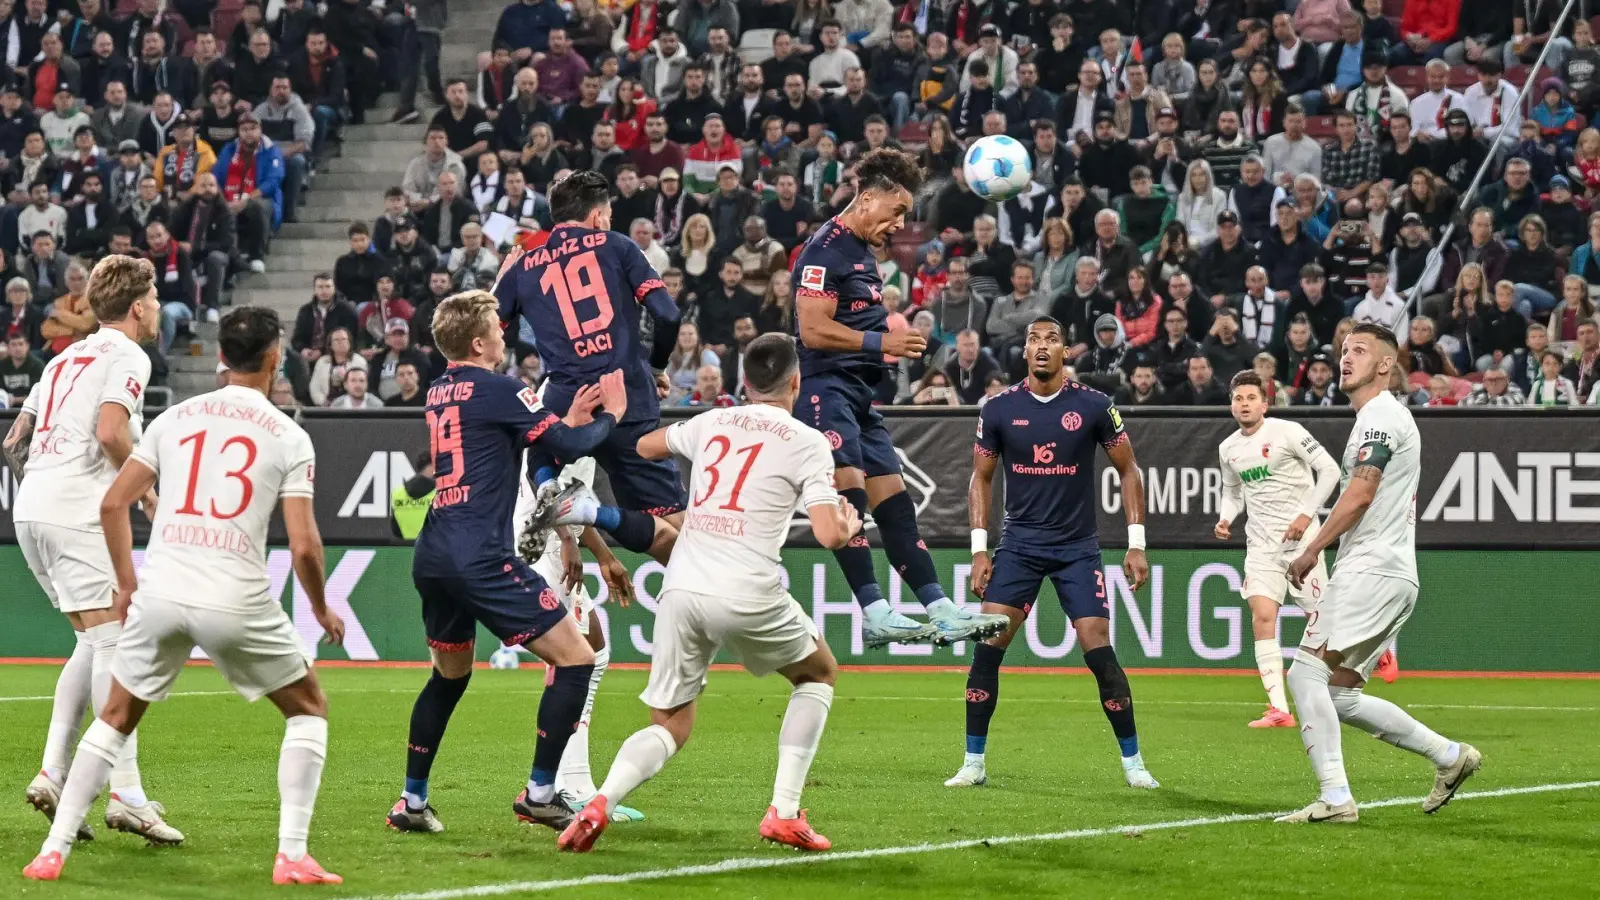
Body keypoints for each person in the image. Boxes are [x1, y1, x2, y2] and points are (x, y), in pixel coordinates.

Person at [21, 306, 344, 886]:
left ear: (220, 355)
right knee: (309, 711)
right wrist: (321, 607)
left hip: (162, 590)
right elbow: (303, 546)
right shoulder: (289, 434)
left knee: (115, 717)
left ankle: (53, 849)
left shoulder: (175, 418)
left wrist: (125, 582)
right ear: (275, 357)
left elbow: (114, 502)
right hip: (234, 596)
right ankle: (292, 854)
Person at [558, 333, 858, 853]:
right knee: (819, 672)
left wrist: (678, 435)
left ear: (743, 382)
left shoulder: (712, 421)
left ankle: (600, 801)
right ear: (796, 381)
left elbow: (647, 445)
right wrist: (849, 523)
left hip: (682, 586)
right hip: (746, 586)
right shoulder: (808, 441)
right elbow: (830, 534)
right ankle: (784, 811)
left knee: (670, 725)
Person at [386, 290, 620, 835]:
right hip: (479, 555)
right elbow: (569, 440)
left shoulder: (441, 389)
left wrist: (560, 417)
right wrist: (612, 416)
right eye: (496, 326)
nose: (503, 333)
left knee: (448, 679)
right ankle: (541, 792)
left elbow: (526, 434)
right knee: (578, 660)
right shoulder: (501, 387)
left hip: (434, 550)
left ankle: (412, 802)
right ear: (478, 341)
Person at [792, 147, 1008, 647]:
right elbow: (812, 328)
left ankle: (940, 608)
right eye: (896, 213)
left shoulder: (862, 253)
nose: (900, 225)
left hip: (858, 394)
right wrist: (881, 342)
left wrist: (891, 337)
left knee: (895, 505)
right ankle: (875, 611)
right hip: (823, 388)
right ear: (868, 199)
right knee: (850, 497)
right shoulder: (823, 250)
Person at [6, 256, 181, 854]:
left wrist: (34, 458)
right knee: (117, 643)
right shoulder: (127, 355)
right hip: (74, 511)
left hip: (31, 506)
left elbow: (17, 431)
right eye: (154, 298)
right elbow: (110, 433)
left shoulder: (65, 354)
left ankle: (54, 773)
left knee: (92, 641)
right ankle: (127, 794)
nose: (157, 307)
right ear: (137, 307)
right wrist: (148, 489)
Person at [1278, 323, 1481, 824]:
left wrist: (1311, 550)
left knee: (1305, 675)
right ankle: (1450, 756)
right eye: (1344, 349)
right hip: (1393, 573)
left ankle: (1335, 797)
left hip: (1371, 568)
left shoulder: (1380, 417)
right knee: (1341, 695)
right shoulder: (1379, 417)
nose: (1346, 357)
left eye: (1360, 350)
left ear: (1386, 365)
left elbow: (1362, 491)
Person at [955, 316, 1155, 789]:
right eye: (1033, 340)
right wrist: (980, 551)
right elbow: (980, 477)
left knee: (1100, 654)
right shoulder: (998, 408)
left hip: (1076, 550)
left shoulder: (1095, 406)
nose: (1042, 347)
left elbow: (1130, 470)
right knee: (987, 652)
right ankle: (973, 763)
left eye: (1052, 339)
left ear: (1067, 351)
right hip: (1019, 546)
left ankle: (1134, 764)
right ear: (1024, 352)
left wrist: (1136, 543)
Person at [493, 170, 685, 566]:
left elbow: (480, 335)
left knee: (541, 454)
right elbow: (667, 316)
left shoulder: (524, 266)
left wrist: (499, 286)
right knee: (670, 524)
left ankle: (551, 486)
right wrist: (656, 366)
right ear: (597, 217)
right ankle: (702, 582)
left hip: (568, 398)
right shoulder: (618, 245)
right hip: (626, 393)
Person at [1215, 370, 1339, 729]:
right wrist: (1226, 518)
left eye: (1251, 398)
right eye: (1238, 399)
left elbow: (1329, 471)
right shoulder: (1228, 448)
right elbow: (1233, 491)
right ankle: (1279, 709)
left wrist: (1305, 514)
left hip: (1302, 541)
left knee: (1323, 620)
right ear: (1231, 405)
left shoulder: (1288, 432)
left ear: (1265, 404)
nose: (1244, 404)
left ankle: (1370, 650)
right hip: (1261, 545)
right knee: (1262, 616)